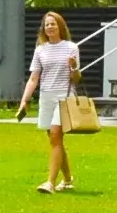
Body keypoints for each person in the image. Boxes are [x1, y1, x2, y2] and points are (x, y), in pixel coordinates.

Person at [14, 10, 83, 192]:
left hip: (64, 97)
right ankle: (67, 180)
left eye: (53, 23)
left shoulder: (71, 47)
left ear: (60, 26)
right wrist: (24, 101)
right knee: (55, 140)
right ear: (43, 29)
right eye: (47, 24)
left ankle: (50, 183)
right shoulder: (40, 50)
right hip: (46, 97)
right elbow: (34, 78)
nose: (50, 27)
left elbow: (76, 79)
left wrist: (74, 67)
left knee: (55, 135)